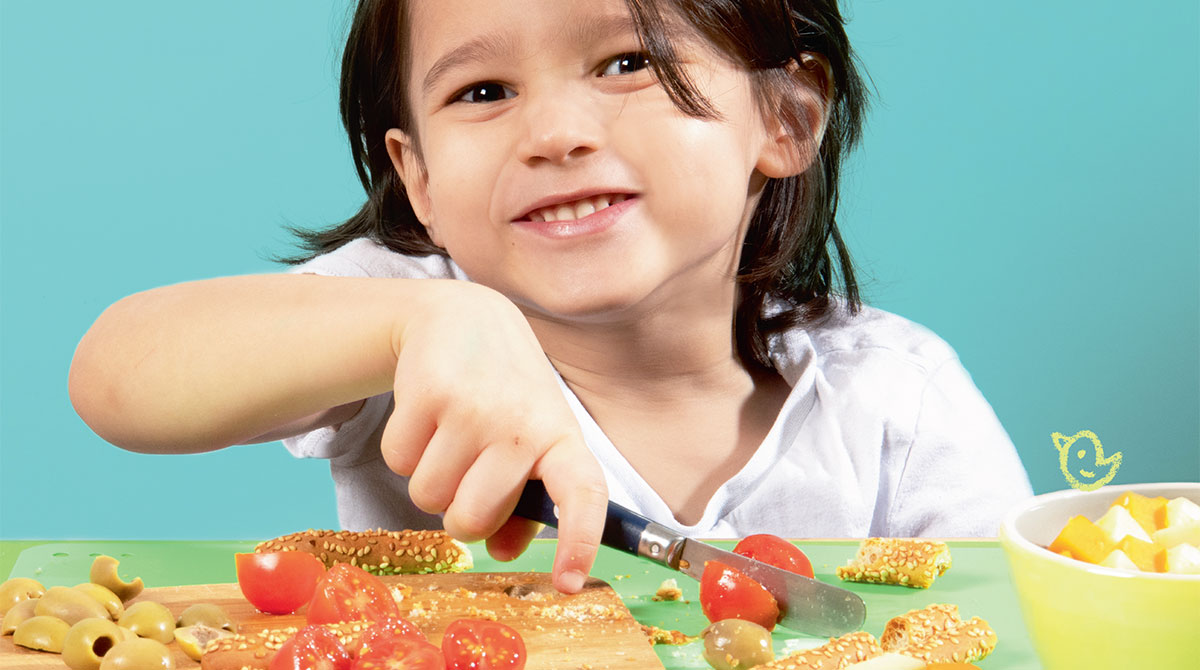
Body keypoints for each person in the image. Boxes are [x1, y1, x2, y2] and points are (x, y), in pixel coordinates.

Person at [68, 0, 1032, 594]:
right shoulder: (411, 325)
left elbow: (1027, 627)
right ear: (422, 183)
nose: (555, 132)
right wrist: (424, 325)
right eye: (483, 91)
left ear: (783, 117)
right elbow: (117, 374)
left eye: (628, 62)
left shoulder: (895, 398)